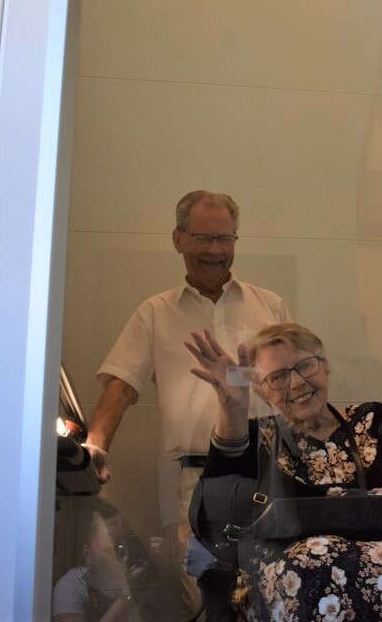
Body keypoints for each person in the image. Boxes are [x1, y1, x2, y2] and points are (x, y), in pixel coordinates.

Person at [186, 323, 382, 622]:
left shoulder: (373, 420)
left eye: (305, 366)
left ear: (325, 366)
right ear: (261, 390)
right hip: (300, 576)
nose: (296, 383)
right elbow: (214, 514)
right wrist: (232, 410)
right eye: (277, 377)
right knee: (310, 568)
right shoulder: (257, 437)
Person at [82, 191, 291, 618]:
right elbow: (121, 386)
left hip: (267, 469)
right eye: (203, 238)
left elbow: (298, 384)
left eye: (224, 238)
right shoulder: (155, 312)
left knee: (276, 589)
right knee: (202, 598)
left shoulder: (270, 305)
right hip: (193, 479)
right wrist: (94, 448)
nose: (215, 250)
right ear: (178, 239)